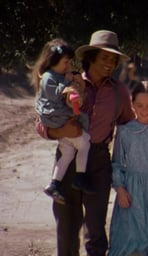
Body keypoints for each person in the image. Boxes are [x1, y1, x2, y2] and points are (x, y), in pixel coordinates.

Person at [38, 30, 148, 256]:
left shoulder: (119, 92)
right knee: (67, 225)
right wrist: (60, 130)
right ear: (90, 57)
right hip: (67, 158)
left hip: (100, 162)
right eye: (105, 58)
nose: (110, 64)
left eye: (113, 59)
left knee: (96, 227)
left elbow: (135, 126)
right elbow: (41, 121)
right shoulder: (69, 83)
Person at [108, 81, 148, 256]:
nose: (145, 110)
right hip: (131, 193)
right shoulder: (124, 131)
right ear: (132, 104)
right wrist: (120, 189)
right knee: (132, 244)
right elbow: (117, 163)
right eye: (140, 105)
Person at [30, 38, 94, 205]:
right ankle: (80, 176)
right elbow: (55, 94)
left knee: (67, 152)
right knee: (85, 143)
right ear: (54, 61)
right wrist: (68, 81)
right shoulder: (48, 77)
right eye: (65, 62)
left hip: (57, 117)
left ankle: (54, 183)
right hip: (56, 116)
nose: (68, 66)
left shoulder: (56, 75)